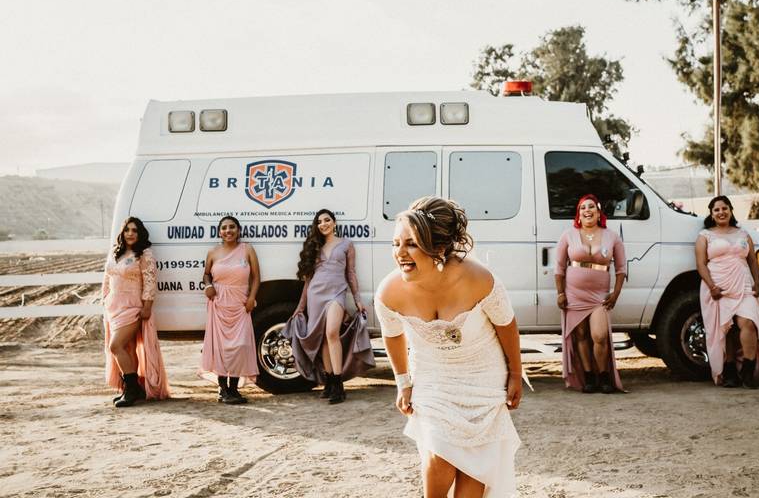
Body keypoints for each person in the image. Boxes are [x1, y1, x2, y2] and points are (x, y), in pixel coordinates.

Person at [375, 196, 523, 498]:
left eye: (411, 244)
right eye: (395, 243)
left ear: (439, 248)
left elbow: (506, 325)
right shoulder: (389, 291)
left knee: (474, 468)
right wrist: (403, 383)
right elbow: (392, 336)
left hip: (482, 376)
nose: (399, 253)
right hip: (432, 378)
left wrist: (516, 374)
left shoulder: (480, 279)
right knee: (439, 456)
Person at [282, 208, 373, 404]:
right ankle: (329, 382)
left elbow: (351, 273)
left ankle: (339, 385)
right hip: (316, 294)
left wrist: (357, 300)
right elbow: (308, 280)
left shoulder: (346, 244)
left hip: (336, 293)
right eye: (319, 221)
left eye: (327, 220)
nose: (323, 224)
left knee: (332, 333)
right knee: (323, 338)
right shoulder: (315, 246)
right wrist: (300, 306)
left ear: (334, 222)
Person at [696, 195, 759, 388]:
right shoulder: (705, 236)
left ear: (731, 210)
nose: (721, 212)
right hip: (717, 287)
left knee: (748, 323)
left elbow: (751, 261)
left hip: (742, 286)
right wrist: (712, 287)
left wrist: (757, 284)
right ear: (711, 214)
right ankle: (729, 370)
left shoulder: (743, 234)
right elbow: (700, 264)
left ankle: (748, 372)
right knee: (726, 329)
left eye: (724, 208)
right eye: (716, 210)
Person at [554, 194, 627, 394]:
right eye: (583, 208)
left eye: (591, 207)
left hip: (599, 296)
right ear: (579, 213)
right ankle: (588, 377)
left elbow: (621, 269)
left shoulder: (611, 236)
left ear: (598, 211)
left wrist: (616, 294)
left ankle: (603, 375)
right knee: (581, 335)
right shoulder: (568, 235)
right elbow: (559, 268)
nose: (587, 211)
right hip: (574, 294)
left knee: (599, 335)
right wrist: (560, 293)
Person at [102, 216, 171, 407]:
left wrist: (147, 306)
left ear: (140, 234)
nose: (130, 234)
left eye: (134, 231)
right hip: (113, 306)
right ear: (122, 233)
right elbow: (107, 278)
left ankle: (132, 389)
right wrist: (105, 298)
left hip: (133, 306)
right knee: (128, 348)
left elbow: (150, 281)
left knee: (116, 346)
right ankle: (132, 389)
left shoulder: (145, 254)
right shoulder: (116, 252)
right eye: (127, 230)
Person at [200, 215, 261, 404]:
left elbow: (257, 277)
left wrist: (252, 298)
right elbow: (206, 275)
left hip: (240, 304)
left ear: (238, 230)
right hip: (219, 304)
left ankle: (233, 389)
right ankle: (222, 389)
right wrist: (207, 286)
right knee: (220, 347)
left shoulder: (247, 249)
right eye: (224, 228)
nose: (228, 230)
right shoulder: (213, 252)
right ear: (220, 232)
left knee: (240, 346)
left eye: (232, 227)